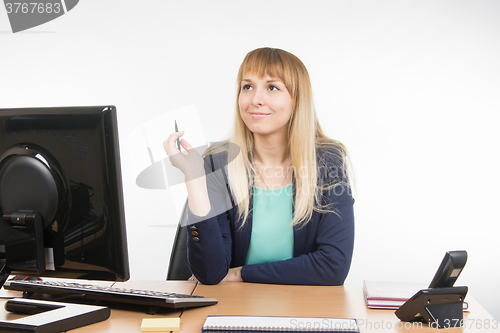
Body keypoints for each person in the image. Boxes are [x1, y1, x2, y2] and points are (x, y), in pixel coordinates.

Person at [163, 47, 354, 285]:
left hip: (303, 310)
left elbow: (332, 267)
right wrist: (194, 177)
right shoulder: (219, 162)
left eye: (272, 87)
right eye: (247, 86)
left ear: (297, 99)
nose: (255, 99)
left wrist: (242, 273)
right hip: (234, 310)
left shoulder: (327, 162)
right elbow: (210, 274)